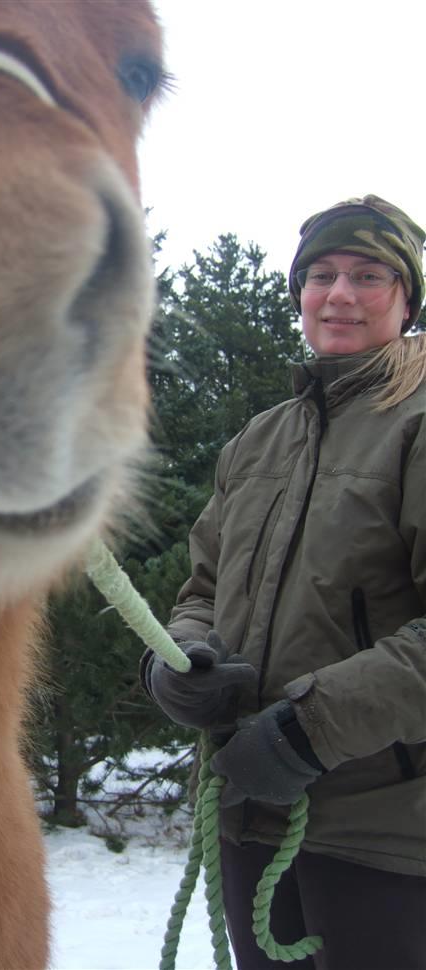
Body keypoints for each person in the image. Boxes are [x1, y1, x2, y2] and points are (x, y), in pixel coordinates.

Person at [141, 195, 426, 970]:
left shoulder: (417, 425)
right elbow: (201, 590)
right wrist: (179, 662)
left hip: (387, 833)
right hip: (248, 813)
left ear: (406, 300)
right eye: (321, 275)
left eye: (368, 275)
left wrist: (308, 732)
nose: (340, 294)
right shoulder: (258, 441)